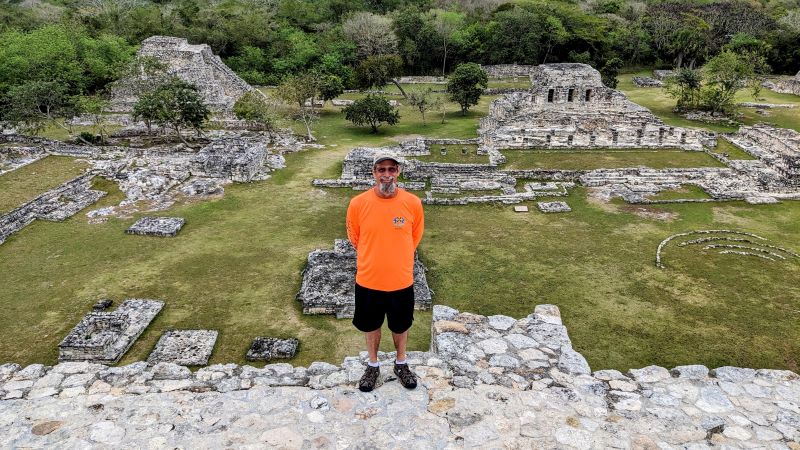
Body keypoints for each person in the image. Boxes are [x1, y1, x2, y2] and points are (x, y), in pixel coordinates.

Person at [345, 153, 424, 392]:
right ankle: (373, 364)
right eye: (381, 170)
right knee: (371, 326)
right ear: (374, 173)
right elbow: (354, 238)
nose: (386, 174)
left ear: (398, 172)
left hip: (401, 280)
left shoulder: (412, 203)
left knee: (401, 326)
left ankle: (401, 363)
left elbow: (415, 237)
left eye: (391, 169)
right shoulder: (358, 203)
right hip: (369, 279)